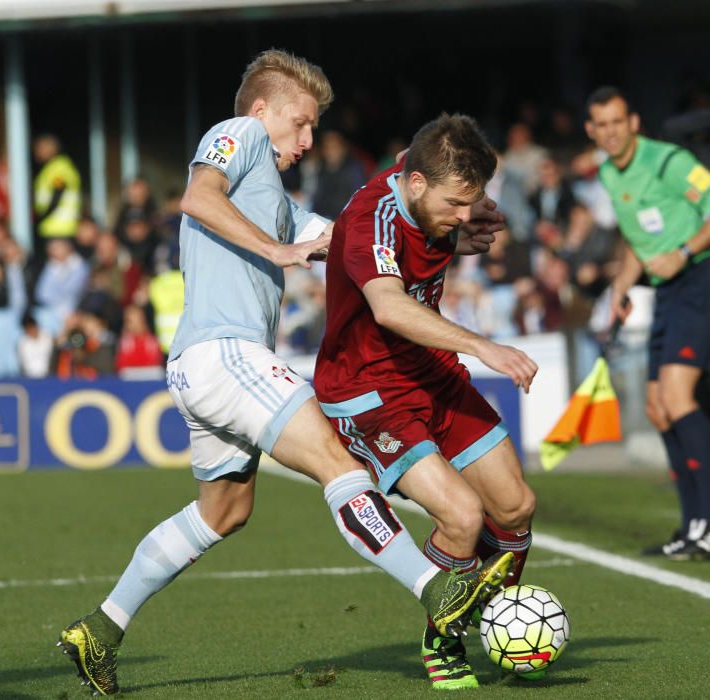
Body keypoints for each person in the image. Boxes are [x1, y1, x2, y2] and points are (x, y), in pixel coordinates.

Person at [57, 50, 513, 696]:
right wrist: (277, 250)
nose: (306, 141)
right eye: (299, 124)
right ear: (263, 109)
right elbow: (197, 196)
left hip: (201, 368)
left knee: (224, 511)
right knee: (337, 459)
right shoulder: (237, 134)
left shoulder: (272, 196)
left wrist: (451, 234)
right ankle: (437, 587)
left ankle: (99, 631)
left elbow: (358, 239)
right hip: (226, 354)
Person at [314, 113, 539, 689]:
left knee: (514, 506)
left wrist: (457, 233)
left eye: (475, 201)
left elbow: (430, 235)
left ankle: (499, 621)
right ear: (416, 184)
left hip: (427, 372)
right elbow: (389, 306)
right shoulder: (371, 218)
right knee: (462, 517)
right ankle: (444, 636)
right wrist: (482, 344)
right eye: (457, 203)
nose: (466, 213)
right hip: (368, 390)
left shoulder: (425, 188)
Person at [585, 86, 710, 560]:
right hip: (666, 291)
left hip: (700, 278)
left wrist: (683, 253)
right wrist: (619, 290)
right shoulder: (607, 174)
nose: (612, 132)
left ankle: (708, 524)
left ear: (633, 122)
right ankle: (693, 525)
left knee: (677, 399)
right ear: (591, 131)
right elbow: (636, 241)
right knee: (658, 407)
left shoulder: (669, 161)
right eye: (603, 125)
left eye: (619, 121)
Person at [32, 135, 82, 260]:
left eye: (40, 148)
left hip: (59, 228)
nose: (36, 152)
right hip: (53, 226)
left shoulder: (59, 166)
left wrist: (43, 216)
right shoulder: (50, 167)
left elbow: (58, 191)